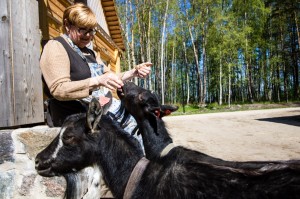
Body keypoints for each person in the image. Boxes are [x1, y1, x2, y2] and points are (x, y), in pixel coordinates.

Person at [40, 3, 152, 128]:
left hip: (99, 112)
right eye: (82, 29)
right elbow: (59, 89)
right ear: (67, 25)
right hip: (75, 120)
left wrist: (133, 72)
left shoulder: (90, 53)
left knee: (141, 120)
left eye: (91, 30)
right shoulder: (56, 46)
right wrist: (97, 81)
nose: (88, 35)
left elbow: (109, 77)